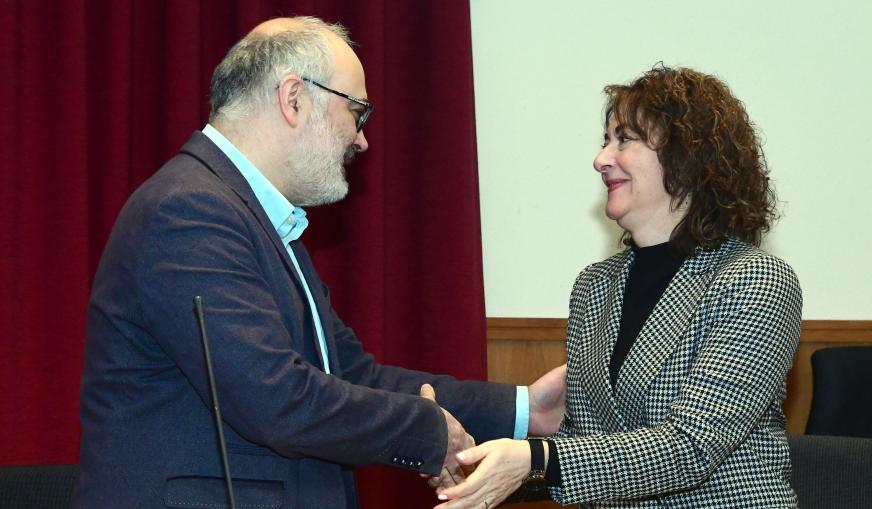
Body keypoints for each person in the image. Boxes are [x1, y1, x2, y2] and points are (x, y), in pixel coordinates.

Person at [74, 16, 565, 509]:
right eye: (357, 113)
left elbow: (352, 377)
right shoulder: (190, 211)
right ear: (294, 99)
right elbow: (277, 400)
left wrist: (525, 409)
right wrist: (429, 430)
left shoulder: (254, 219)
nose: (361, 140)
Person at [433, 65, 803, 509]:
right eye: (605, 141)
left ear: (688, 156)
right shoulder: (594, 286)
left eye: (623, 139)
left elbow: (691, 446)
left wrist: (533, 457)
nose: (601, 159)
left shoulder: (754, 279)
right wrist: (479, 469)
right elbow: (584, 446)